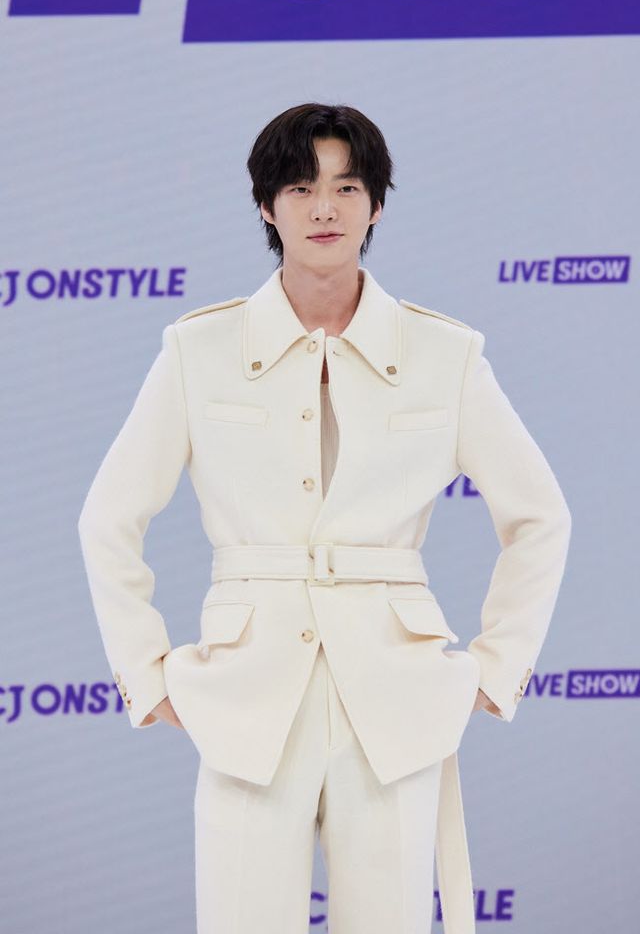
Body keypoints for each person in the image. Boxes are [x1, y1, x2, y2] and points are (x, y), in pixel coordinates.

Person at [77, 103, 572, 933]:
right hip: (244, 695)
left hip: (397, 697)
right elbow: (108, 518)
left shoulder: (446, 354)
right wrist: (144, 672)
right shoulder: (198, 350)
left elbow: (541, 517)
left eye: (347, 187)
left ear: (377, 205)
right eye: (301, 188)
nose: (324, 208)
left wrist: (497, 667)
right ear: (267, 206)